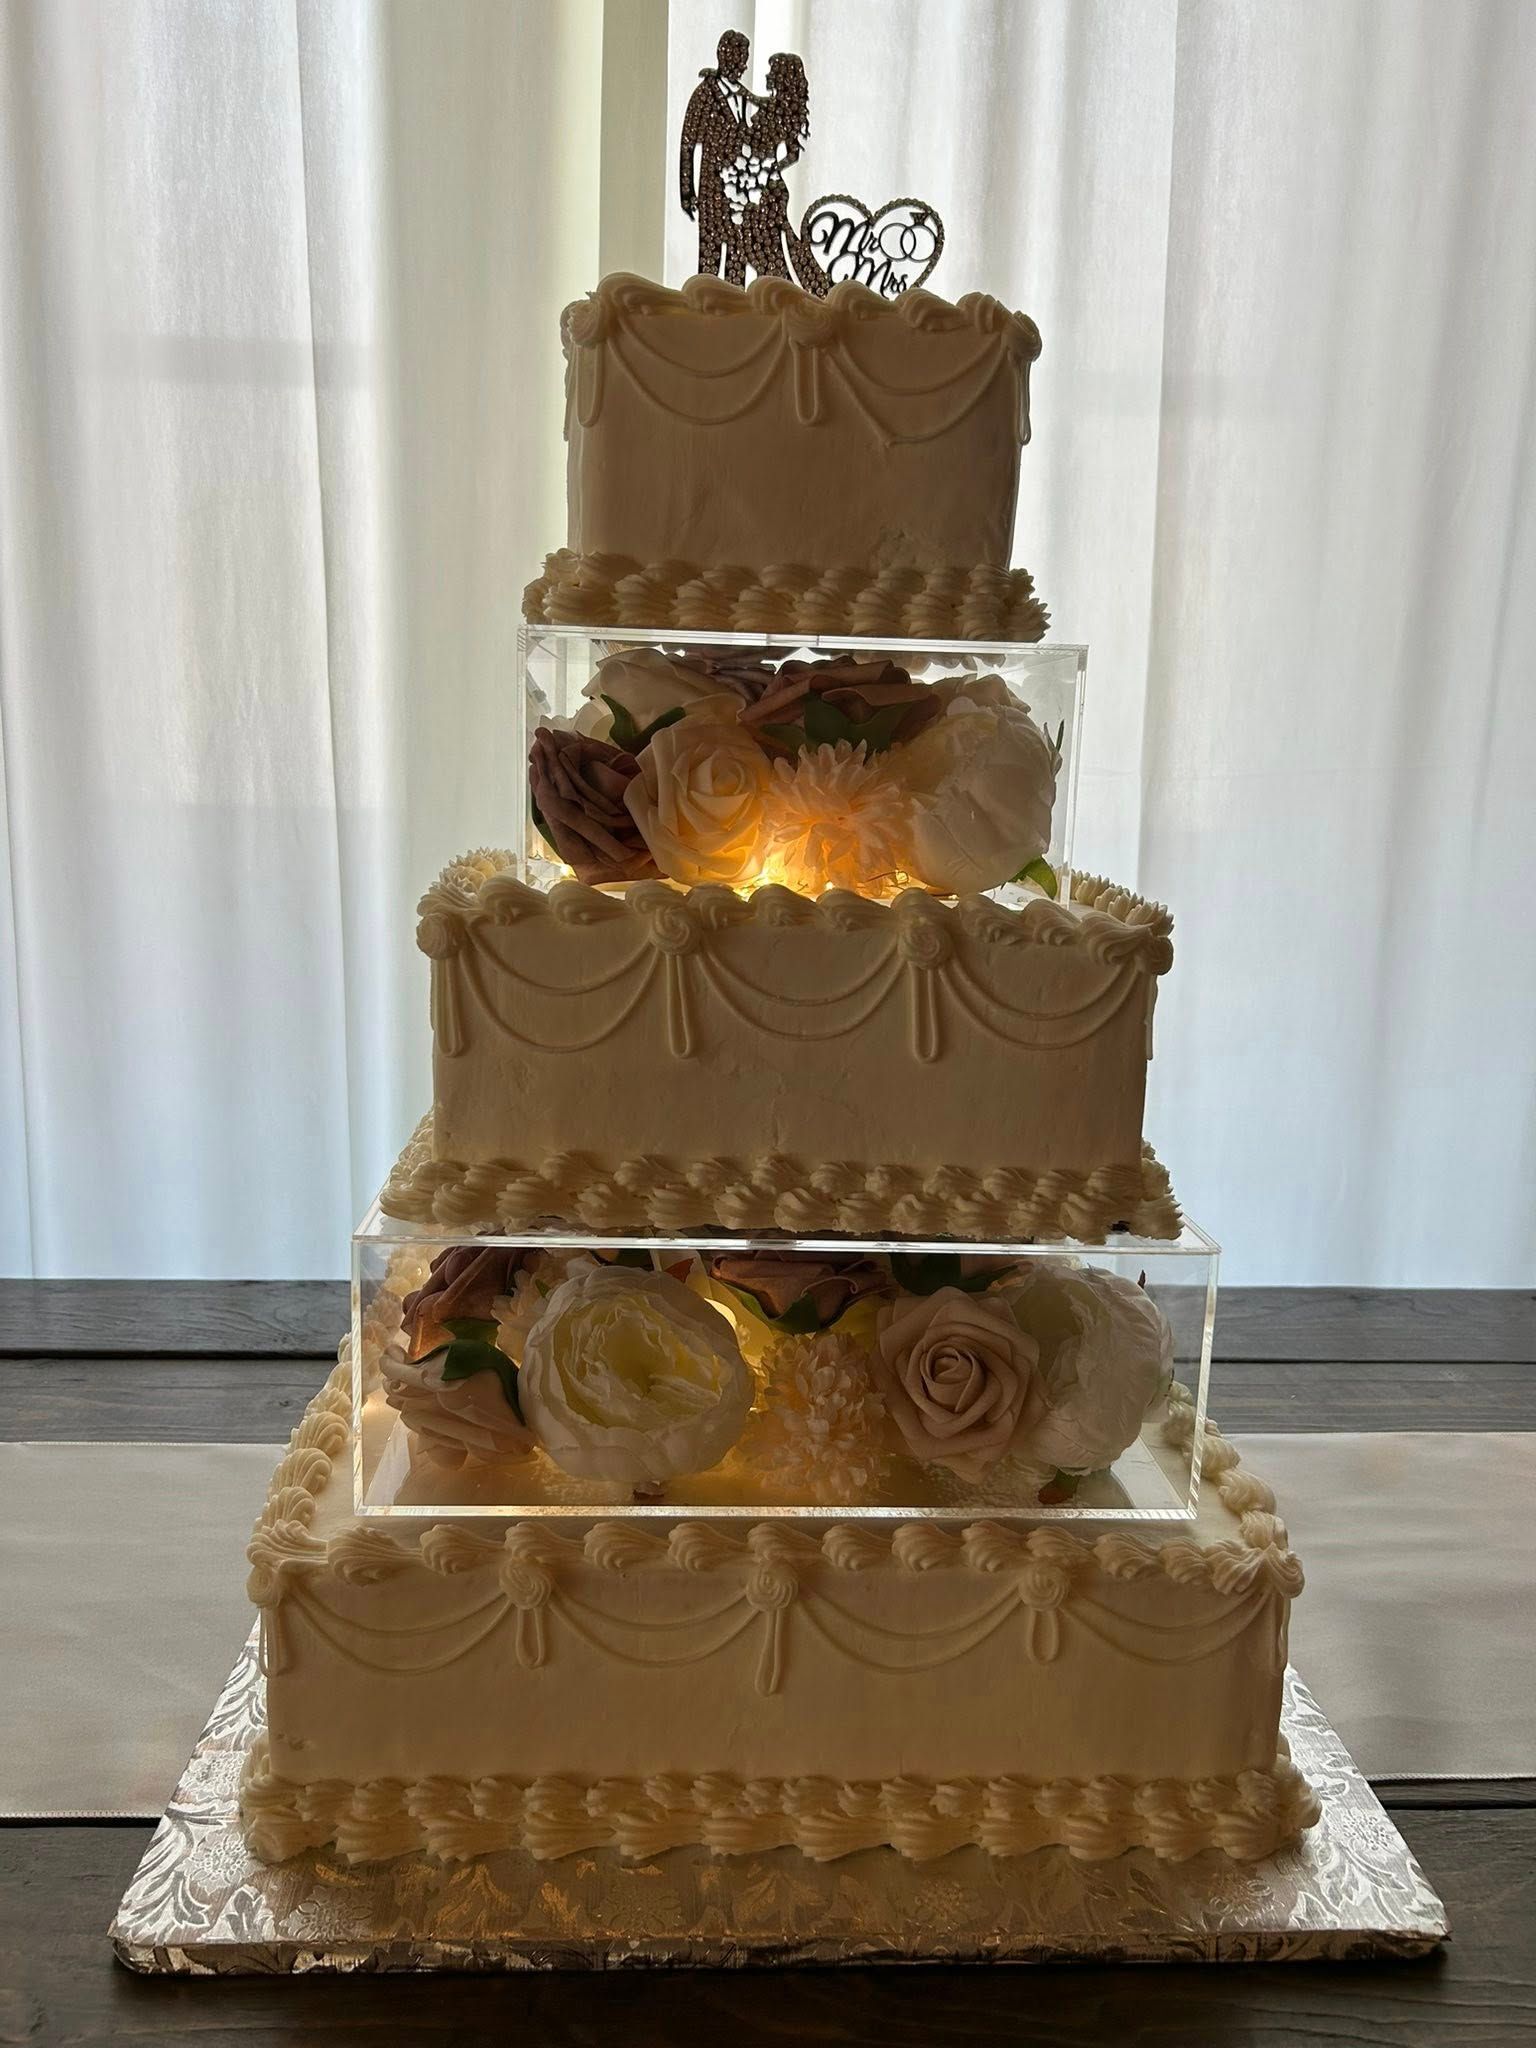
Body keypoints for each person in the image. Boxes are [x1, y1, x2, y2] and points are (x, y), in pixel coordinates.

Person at [679, 29, 758, 284]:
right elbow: (687, 145)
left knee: (738, 255)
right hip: (712, 191)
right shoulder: (704, 95)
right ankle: (706, 310)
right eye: (738, 58)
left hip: (741, 195)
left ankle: (736, 313)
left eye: (745, 58)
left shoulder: (746, 97)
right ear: (725, 58)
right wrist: (687, 192)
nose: (743, 65)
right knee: (711, 256)